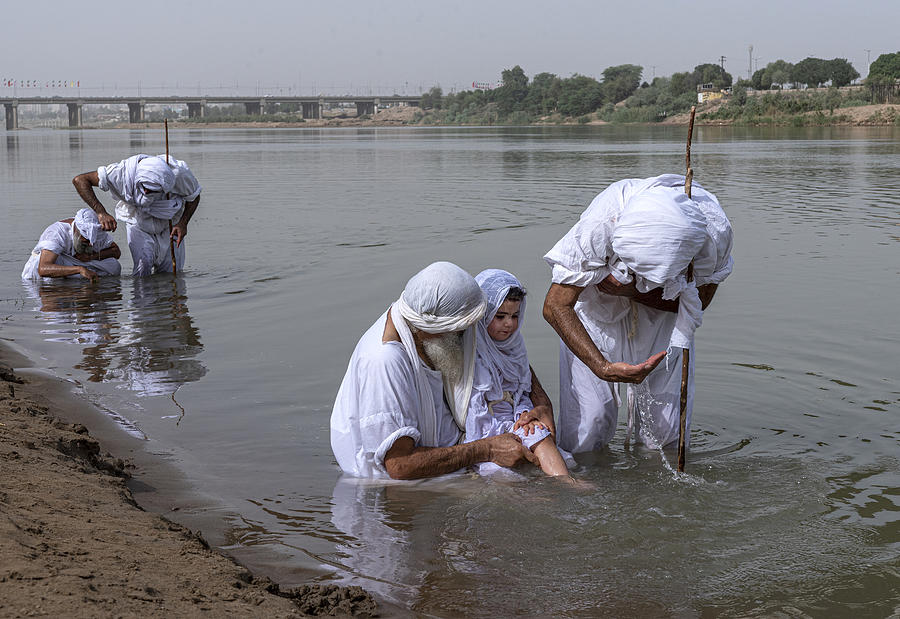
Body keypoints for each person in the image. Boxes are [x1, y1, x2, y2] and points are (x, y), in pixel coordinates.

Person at [542, 174, 733, 453]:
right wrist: (602, 367)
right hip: (597, 308)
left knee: (665, 433)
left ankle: (658, 490)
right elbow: (555, 306)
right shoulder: (603, 222)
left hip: (665, 315)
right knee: (589, 424)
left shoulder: (713, 235)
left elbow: (699, 302)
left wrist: (632, 291)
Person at [330, 261, 542, 479]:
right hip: (404, 480)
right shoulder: (385, 362)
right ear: (433, 328)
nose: (469, 334)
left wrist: (542, 402)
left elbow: (504, 354)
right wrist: (486, 450)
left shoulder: (424, 308)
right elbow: (400, 466)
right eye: (461, 329)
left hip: (453, 449)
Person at [465, 269, 570, 478]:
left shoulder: (515, 348)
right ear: (483, 315)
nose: (509, 324)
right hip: (485, 426)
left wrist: (523, 415)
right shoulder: (472, 352)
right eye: (500, 316)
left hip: (514, 416)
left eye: (515, 316)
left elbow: (521, 390)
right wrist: (501, 431)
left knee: (539, 434)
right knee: (502, 473)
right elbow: (472, 405)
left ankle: (566, 481)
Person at [72, 153, 201, 276]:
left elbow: (194, 197)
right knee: (142, 266)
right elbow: (80, 180)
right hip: (137, 220)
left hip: (171, 224)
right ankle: (142, 298)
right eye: (143, 187)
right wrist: (100, 212)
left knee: (171, 271)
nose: (145, 191)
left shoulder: (179, 175)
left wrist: (183, 224)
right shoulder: (121, 173)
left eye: (151, 191)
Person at [22, 208, 121, 281]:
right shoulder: (56, 233)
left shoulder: (95, 230)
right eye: (85, 240)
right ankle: (77, 276)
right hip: (58, 264)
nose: (90, 244)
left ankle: (80, 277)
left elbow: (116, 252)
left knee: (114, 265)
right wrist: (79, 269)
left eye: (92, 241)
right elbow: (43, 269)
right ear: (76, 231)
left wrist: (92, 256)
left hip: (79, 262)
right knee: (48, 269)